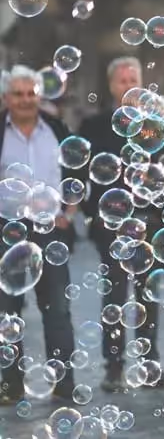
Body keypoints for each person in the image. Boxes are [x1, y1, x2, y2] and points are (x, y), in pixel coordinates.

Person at [78, 57, 164, 392]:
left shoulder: (154, 127)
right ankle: (113, 369)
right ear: (111, 86)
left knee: (148, 297)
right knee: (113, 298)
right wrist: (97, 218)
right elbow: (84, 177)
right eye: (122, 80)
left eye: (133, 79)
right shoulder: (94, 126)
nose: (128, 84)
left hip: (148, 224)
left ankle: (150, 366)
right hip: (111, 225)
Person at [0, 66, 77, 404]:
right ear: (6, 98)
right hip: (6, 229)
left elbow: (79, 174)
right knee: (5, 311)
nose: (25, 100)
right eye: (18, 94)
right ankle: (9, 386)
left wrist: (68, 213)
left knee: (57, 308)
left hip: (50, 230)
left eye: (31, 93)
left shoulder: (57, 129)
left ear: (39, 96)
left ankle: (64, 383)